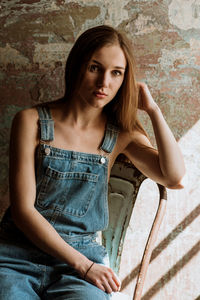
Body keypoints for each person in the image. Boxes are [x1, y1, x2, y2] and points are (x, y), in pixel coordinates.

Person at [0, 25, 185, 299]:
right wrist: (85, 266)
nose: (104, 83)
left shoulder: (121, 132)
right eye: (94, 68)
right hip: (16, 255)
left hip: (80, 266)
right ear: (76, 67)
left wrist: (153, 111)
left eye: (116, 73)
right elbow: (23, 211)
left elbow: (173, 176)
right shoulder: (31, 121)